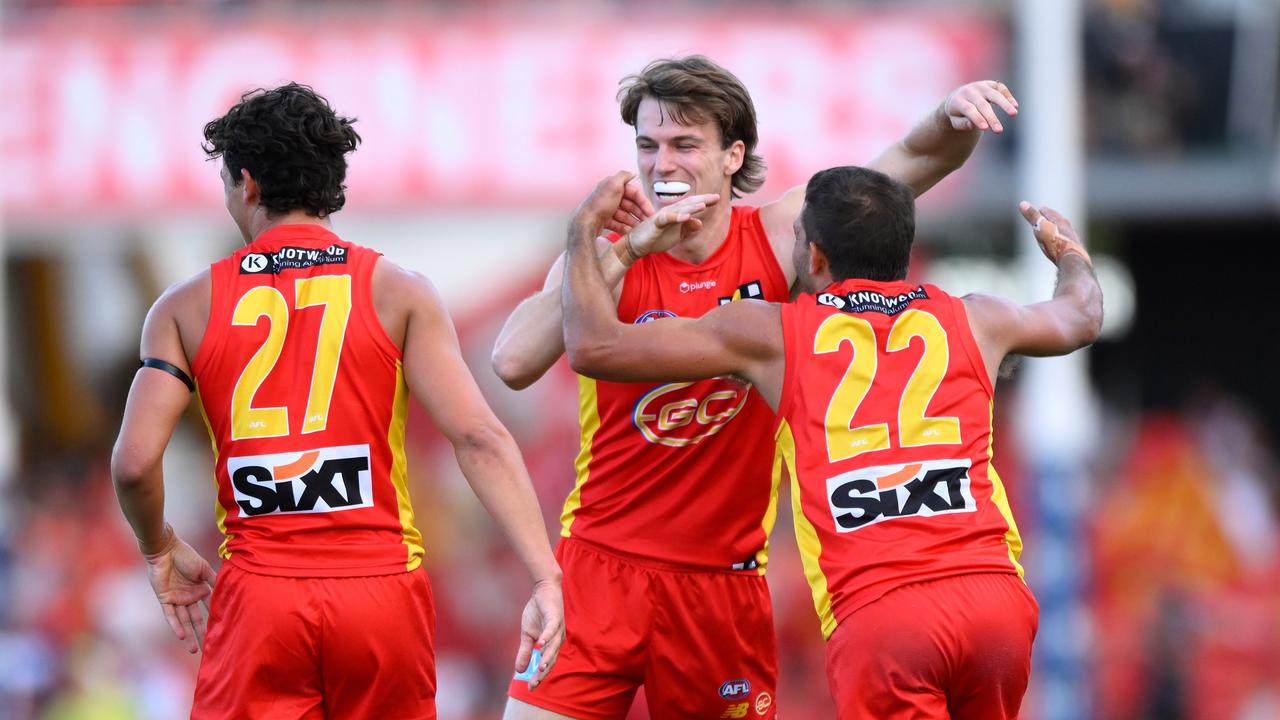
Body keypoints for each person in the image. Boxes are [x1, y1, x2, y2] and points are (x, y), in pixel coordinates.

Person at [495, 56, 1020, 719]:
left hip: (722, 588)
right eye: (648, 145)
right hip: (599, 569)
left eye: (685, 145)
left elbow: (911, 162)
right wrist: (621, 251)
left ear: (731, 154)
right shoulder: (608, 256)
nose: (663, 164)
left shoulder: (780, 236)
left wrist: (953, 114)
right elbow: (512, 360)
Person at [560, 166, 1103, 719]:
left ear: (815, 257)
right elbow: (1081, 316)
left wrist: (587, 233)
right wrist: (1071, 256)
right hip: (996, 605)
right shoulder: (977, 317)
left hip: (885, 614)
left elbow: (593, 347)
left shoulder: (770, 332)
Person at [110, 83, 564, 719]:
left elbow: (133, 463)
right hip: (379, 592)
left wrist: (159, 549)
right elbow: (479, 438)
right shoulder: (399, 291)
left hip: (260, 596)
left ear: (246, 184)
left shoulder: (184, 308)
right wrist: (544, 574)